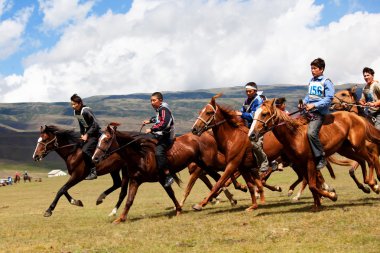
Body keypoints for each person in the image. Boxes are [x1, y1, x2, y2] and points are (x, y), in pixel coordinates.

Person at [299, 58, 334, 170]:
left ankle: (321, 157)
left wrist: (314, 105)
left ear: (321, 69)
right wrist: (304, 102)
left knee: (311, 133)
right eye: (311, 68)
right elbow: (309, 96)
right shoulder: (312, 81)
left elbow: (329, 99)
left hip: (319, 113)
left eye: (314, 68)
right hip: (308, 111)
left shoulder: (326, 81)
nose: (312, 70)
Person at [143, 92, 175, 187]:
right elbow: (159, 119)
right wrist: (150, 121)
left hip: (166, 136)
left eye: (154, 100)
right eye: (151, 101)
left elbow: (164, 123)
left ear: (160, 101)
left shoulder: (164, 109)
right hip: (159, 135)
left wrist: (152, 129)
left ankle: (168, 175)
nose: (152, 102)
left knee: (158, 152)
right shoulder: (160, 109)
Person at [238, 82, 272, 172]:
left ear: (255, 91)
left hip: (258, 126)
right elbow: (242, 111)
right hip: (248, 126)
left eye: (250, 91)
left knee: (254, 143)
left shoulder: (258, 100)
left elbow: (253, 116)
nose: (248, 93)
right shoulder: (246, 101)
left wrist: (241, 114)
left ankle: (264, 162)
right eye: (247, 91)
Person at [71, 93, 101, 180]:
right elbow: (81, 124)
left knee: (85, 150)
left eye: (74, 104)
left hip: (95, 134)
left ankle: (93, 171)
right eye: (71, 104)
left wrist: (87, 134)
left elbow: (95, 125)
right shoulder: (76, 112)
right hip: (87, 134)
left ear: (80, 103)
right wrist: (82, 134)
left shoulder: (86, 111)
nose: (72, 106)